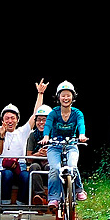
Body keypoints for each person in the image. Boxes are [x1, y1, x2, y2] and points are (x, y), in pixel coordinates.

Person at [0, 79, 48, 205]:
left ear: (17, 120)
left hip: (20, 167)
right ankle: (4, 202)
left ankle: (22, 203)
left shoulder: (22, 131)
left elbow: (35, 114)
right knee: (7, 174)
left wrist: (40, 94)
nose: (10, 121)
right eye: (7, 118)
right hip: (3, 168)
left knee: (26, 176)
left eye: (13, 118)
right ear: (2, 120)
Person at [39, 80, 88, 208]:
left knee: (72, 166)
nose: (66, 98)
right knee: (54, 169)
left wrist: (81, 135)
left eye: (68, 95)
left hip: (71, 144)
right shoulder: (54, 113)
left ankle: (78, 190)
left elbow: (81, 124)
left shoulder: (77, 113)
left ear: (73, 97)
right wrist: (46, 137)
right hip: (55, 146)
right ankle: (54, 198)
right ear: (58, 97)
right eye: (63, 95)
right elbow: (48, 125)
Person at [26, 104, 52, 205]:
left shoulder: (54, 134)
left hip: (49, 164)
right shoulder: (33, 135)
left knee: (49, 167)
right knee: (34, 167)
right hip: (37, 165)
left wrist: (48, 154)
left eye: (44, 120)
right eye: (38, 120)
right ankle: (40, 196)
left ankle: (53, 196)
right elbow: (28, 158)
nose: (41, 123)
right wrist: (38, 154)